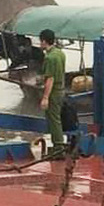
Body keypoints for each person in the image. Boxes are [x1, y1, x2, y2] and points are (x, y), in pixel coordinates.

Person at [39, 28, 66, 158]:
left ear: (44, 41)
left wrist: (45, 97)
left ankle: (59, 148)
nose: (40, 44)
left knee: (54, 120)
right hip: (61, 90)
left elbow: (50, 79)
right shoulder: (60, 53)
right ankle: (58, 146)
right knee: (57, 118)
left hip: (54, 92)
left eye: (40, 42)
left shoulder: (50, 57)